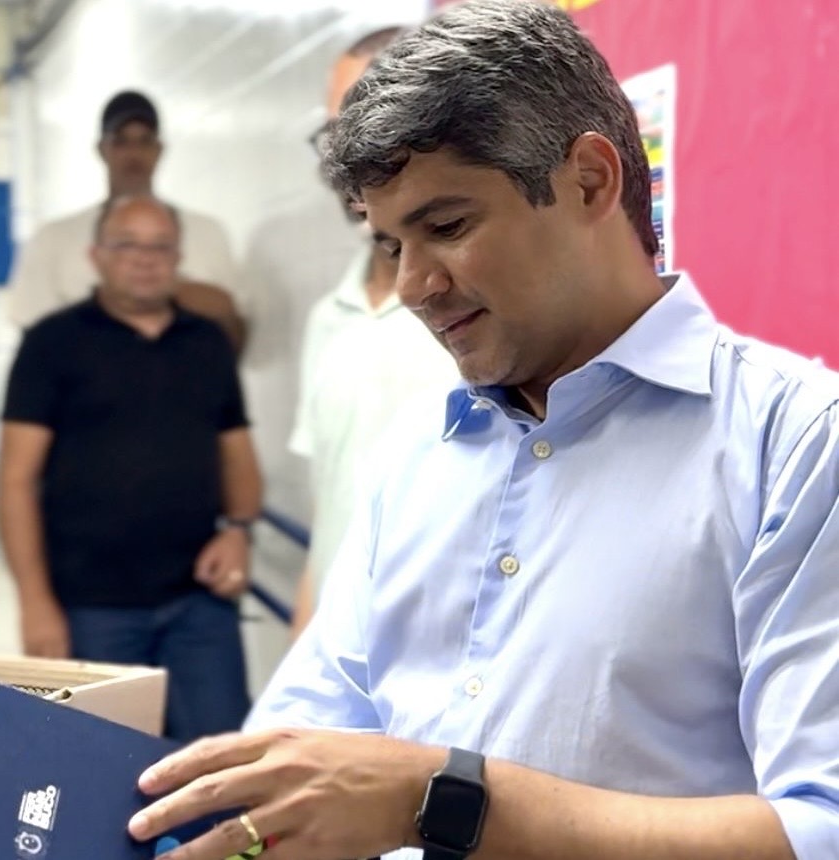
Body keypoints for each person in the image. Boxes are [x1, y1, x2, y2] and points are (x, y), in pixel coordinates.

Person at [126, 2, 839, 858]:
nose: (416, 284)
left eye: (448, 227)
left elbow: (819, 828)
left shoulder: (794, 447)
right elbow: (302, 745)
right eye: (390, 244)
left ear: (590, 181)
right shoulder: (419, 458)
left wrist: (445, 801)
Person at [0, 194, 262, 741]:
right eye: (128, 245)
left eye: (160, 247)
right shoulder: (51, 344)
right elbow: (16, 480)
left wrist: (238, 532)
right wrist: (35, 602)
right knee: (102, 767)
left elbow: (237, 453)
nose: (145, 259)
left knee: (222, 762)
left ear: (177, 257)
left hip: (198, 605)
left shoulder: (207, 344)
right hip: (91, 608)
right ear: (96, 255)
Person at [288, 26, 456, 637]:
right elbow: (330, 512)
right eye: (333, 135)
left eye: (364, 127)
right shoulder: (327, 319)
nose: (342, 159)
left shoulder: (476, 314)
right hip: (337, 673)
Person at [5, 90, 247, 351]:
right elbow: (36, 339)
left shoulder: (208, 233)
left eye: (145, 140)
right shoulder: (53, 238)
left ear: (159, 149)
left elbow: (233, 334)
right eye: (121, 141)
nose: (134, 153)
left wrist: (178, 293)